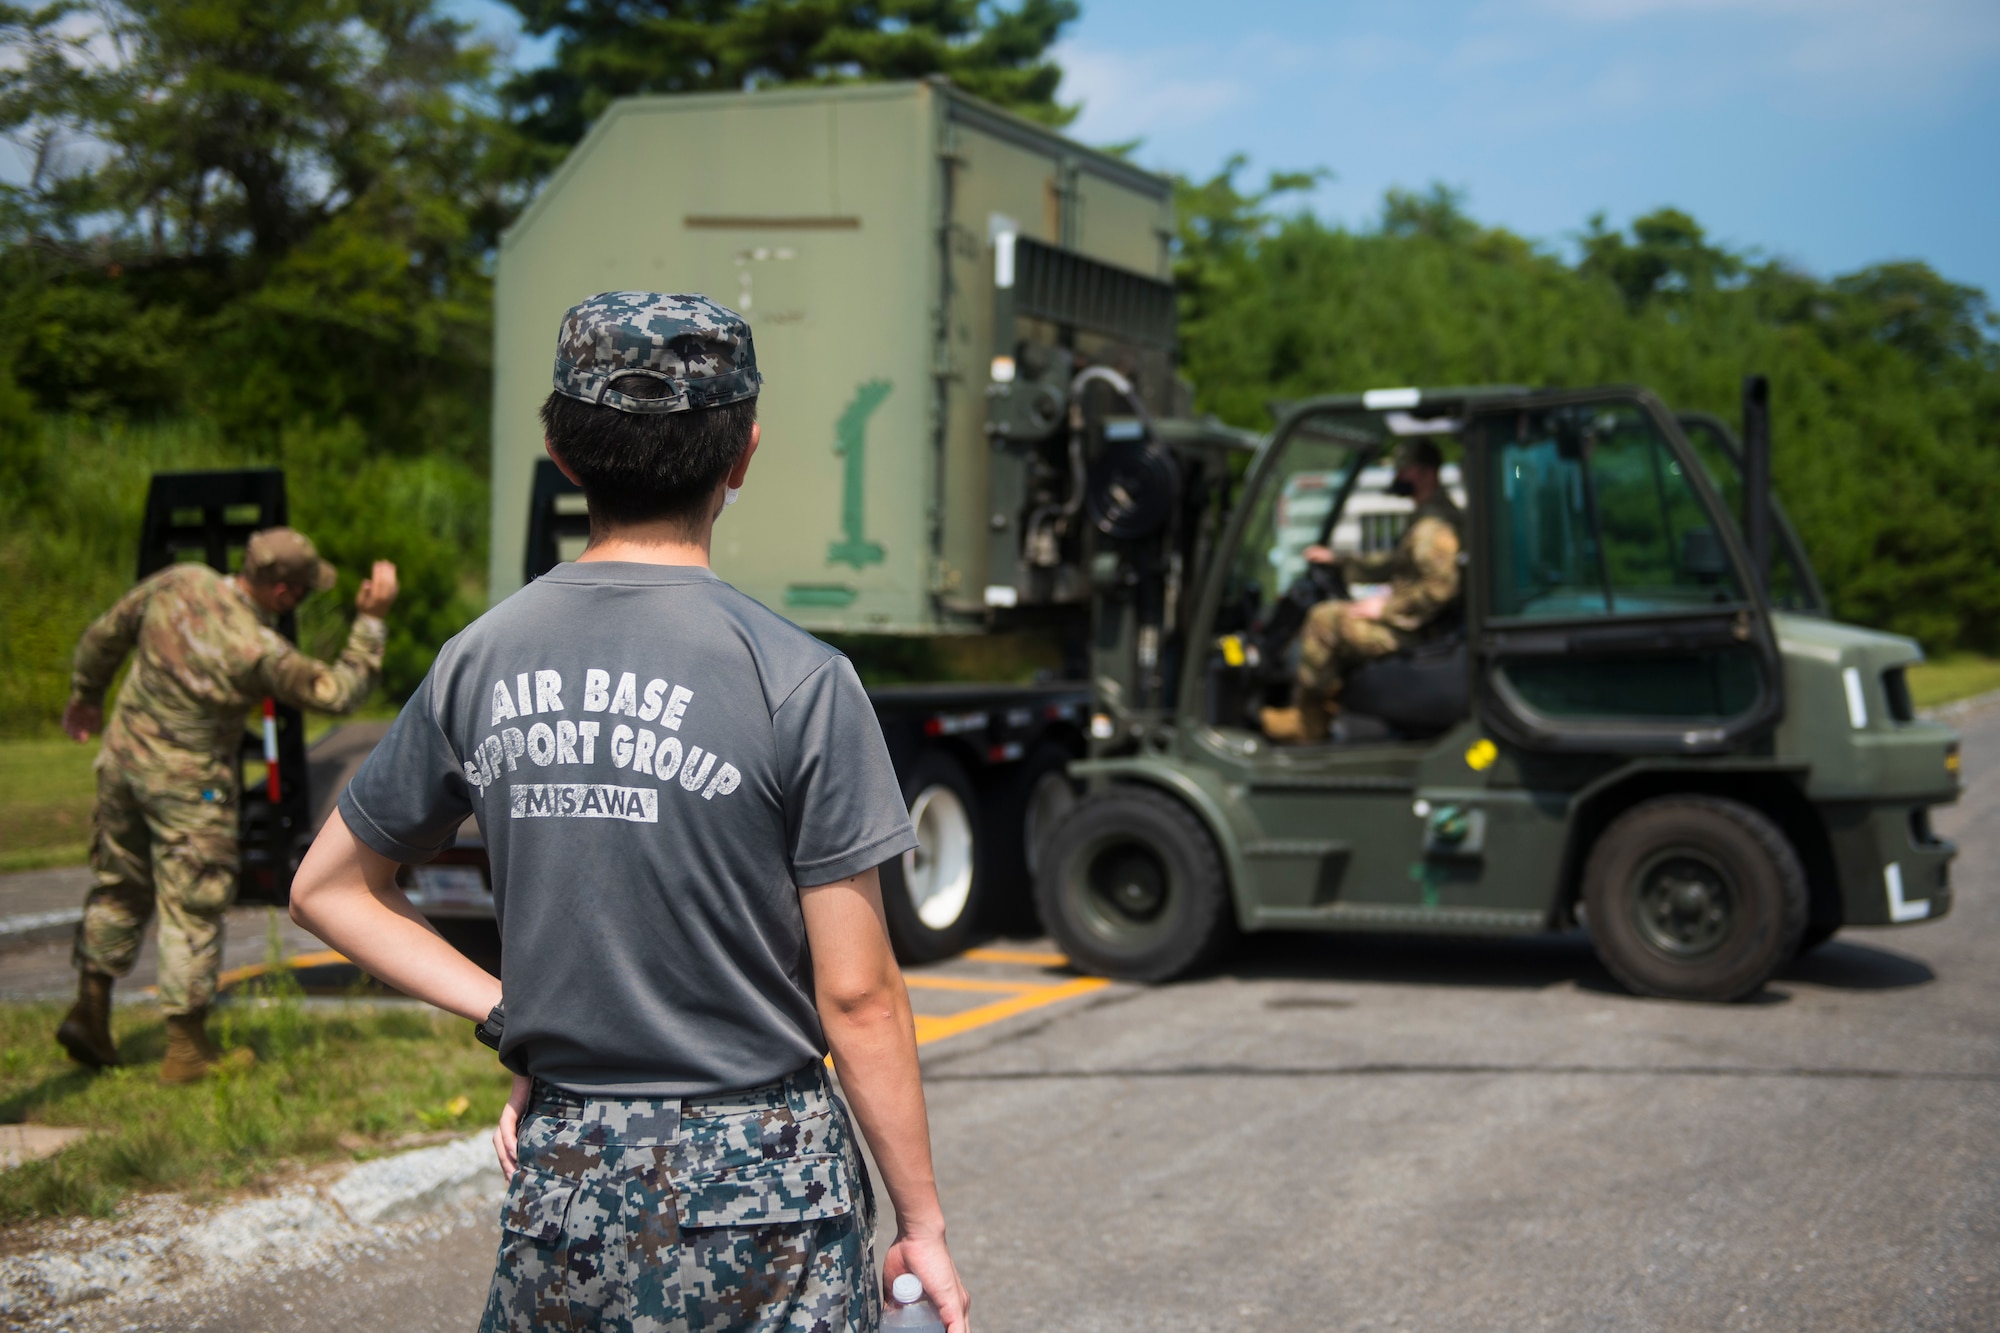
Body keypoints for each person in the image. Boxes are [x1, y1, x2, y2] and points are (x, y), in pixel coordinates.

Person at [288, 292, 970, 1333]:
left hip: (570, 1171)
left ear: (561, 452)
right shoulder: (797, 676)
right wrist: (919, 1221)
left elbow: (327, 889)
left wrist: (516, 1019)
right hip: (767, 1189)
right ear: (739, 456)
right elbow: (859, 995)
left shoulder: (481, 658)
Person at [57, 529, 398, 1082]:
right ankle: (186, 1051)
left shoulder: (179, 580)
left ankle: (90, 1009)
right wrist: (372, 621)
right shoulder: (256, 649)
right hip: (189, 786)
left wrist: (85, 695)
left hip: (121, 764)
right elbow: (337, 692)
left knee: (119, 884)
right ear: (283, 592)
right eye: (305, 591)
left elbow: (104, 635)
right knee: (193, 904)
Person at [1260, 437, 1463, 743]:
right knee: (1341, 613)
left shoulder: (1433, 527)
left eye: (1403, 470)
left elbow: (1440, 588)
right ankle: (1328, 708)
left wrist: (1386, 608)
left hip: (1414, 631)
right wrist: (1340, 562)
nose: (1397, 478)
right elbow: (1395, 564)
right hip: (1417, 623)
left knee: (1323, 620)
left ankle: (1309, 723)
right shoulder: (1426, 515)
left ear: (1424, 473)